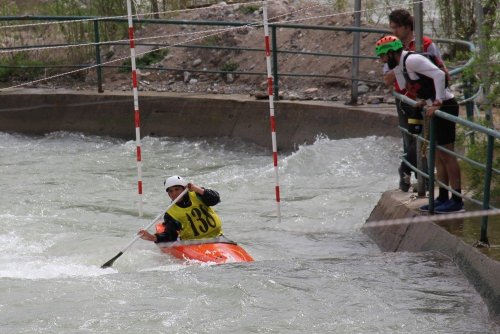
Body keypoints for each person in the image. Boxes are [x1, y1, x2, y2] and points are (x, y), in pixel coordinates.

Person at [375, 36, 464, 213]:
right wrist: (422, 101)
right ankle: (443, 197)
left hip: (445, 106)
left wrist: (437, 101)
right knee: (438, 156)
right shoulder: (400, 66)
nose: (382, 61)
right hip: (432, 107)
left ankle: (457, 200)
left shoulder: (413, 60)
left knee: (447, 155)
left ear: (392, 53)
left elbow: (438, 75)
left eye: (384, 56)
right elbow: (407, 87)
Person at [383, 9, 448, 192]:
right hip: (405, 100)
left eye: (396, 27)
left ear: (406, 26)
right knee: (410, 138)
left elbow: (441, 68)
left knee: (423, 138)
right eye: (392, 28)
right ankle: (416, 175)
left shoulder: (425, 44)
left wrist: (437, 98)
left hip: (425, 99)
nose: (393, 31)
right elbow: (387, 78)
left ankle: (419, 176)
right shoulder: (392, 48)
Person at [138, 175, 224, 243]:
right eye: (170, 191)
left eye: (177, 189)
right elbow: (171, 236)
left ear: (184, 189)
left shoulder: (197, 194)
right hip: (193, 243)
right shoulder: (170, 212)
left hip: (217, 237)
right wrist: (152, 237)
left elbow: (215, 199)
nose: (174, 193)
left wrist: (196, 189)